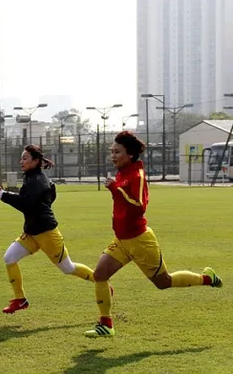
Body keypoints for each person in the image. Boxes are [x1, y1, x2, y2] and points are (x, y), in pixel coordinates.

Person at [84, 131, 223, 338]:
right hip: (122, 240)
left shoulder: (137, 176)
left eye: (117, 152)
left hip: (141, 241)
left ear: (129, 154)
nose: (113, 156)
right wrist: (117, 187)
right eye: (111, 152)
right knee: (100, 275)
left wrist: (115, 189)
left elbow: (139, 207)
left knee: (163, 282)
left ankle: (206, 278)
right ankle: (106, 324)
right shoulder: (122, 172)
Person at [0, 145, 96, 313]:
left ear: (35, 161)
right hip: (32, 233)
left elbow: (27, 203)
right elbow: (48, 196)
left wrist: (4, 195)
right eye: (22, 158)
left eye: (25, 158)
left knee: (67, 268)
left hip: (47, 234)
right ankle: (20, 299)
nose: (21, 161)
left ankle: (100, 281)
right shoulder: (33, 177)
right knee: (9, 257)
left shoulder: (37, 180)